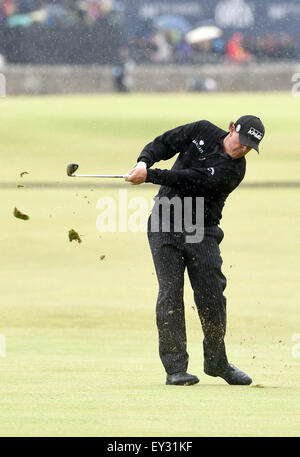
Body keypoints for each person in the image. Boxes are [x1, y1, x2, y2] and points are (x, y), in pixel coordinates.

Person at [125, 115, 265, 386]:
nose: (243, 149)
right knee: (170, 292)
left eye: (250, 147)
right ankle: (176, 368)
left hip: (202, 228)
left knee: (212, 294)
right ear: (231, 128)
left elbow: (189, 179)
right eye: (242, 141)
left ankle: (217, 362)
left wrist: (149, 176)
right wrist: (144, 162)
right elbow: (166, 142)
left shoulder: (234, 170)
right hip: (165, 218)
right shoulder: (201, 130)